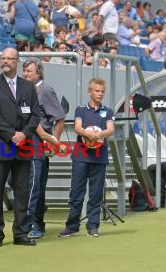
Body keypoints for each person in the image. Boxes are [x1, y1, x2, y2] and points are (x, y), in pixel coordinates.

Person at [0, 47, 40, 247]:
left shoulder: (28, 86)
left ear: (17, 62)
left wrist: (24, 134)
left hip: (23, 146)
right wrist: (11, 134)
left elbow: (35, 115)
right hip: (0, 146)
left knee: (22, 191)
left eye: (10, 58)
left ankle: (21, 233)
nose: (5, 61)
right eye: (3, 58)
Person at [58, 78, 114, 238]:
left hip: (99, 157)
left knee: (96, 193)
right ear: (90, 92)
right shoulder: (80, 110)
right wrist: (87, 133)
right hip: (81, 157)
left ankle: (93, 226)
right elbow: (77, 127)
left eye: (102, 91)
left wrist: (99, 135)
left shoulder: (108, 111)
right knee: (76, 192)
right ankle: (72, 226)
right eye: (97, 91)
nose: (100, 94)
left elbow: (110, 129)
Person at [21, 58, 65, 239]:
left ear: (38, 73)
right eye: (24, 71)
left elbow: (59, 117)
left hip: (38, 142)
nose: (25, 74)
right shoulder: (24, 89)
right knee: (32, 183)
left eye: (29, 71)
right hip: (25, 140)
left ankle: (31, 224)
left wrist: (54, 142)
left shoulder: (45, 90)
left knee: (34, 184)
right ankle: (36, 222)